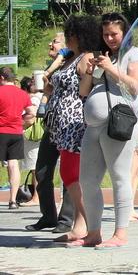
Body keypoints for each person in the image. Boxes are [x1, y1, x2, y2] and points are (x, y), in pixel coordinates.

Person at [77, 12, 138, 249]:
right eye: (105, 34)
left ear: (125, 33)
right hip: (93, 126)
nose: (109, 38)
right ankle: (93, 232)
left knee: (119, 178)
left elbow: (136, 86)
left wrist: (111, 68)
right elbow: (84, 92)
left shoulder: (135, 54)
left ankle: (120, 233)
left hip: (118, 124)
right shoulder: (103, 55)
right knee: (87, 181)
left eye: (114, 34)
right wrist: (91, 71)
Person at [45, 15, 100, 243]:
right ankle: (80, 227)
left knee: (70, 173)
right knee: (72, 174)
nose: (67, 39)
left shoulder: (85, 57)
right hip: (62, 124)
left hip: (75, 123)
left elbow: (89, 87)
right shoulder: (70, 58)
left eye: (70, 34)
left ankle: (92, 225)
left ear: (78, 36)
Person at [25, 33, 76, 233]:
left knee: (69, 172)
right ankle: (48, 216)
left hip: (69, 125)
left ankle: (66, 219)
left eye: (55, 41)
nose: (50, 44)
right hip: (52, 124)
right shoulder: (57, 67)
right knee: (42, 171)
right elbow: (48, 91)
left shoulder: (74, 63)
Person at [0, 67, 36, 210]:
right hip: (16, 132)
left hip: (1, 131)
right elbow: (32, 112)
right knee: (14, 164)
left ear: (2, 78)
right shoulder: (22, 94)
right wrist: (20, 120)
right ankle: (13, 200)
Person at [19, 77, 43, 206]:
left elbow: (31, 118)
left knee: (34, 167)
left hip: (33, 137)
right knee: (35, 167)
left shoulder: (34, 99)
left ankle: (36, 197)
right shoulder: (41, 96)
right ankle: (36, 196)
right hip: (38, 136)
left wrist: (19, 125)